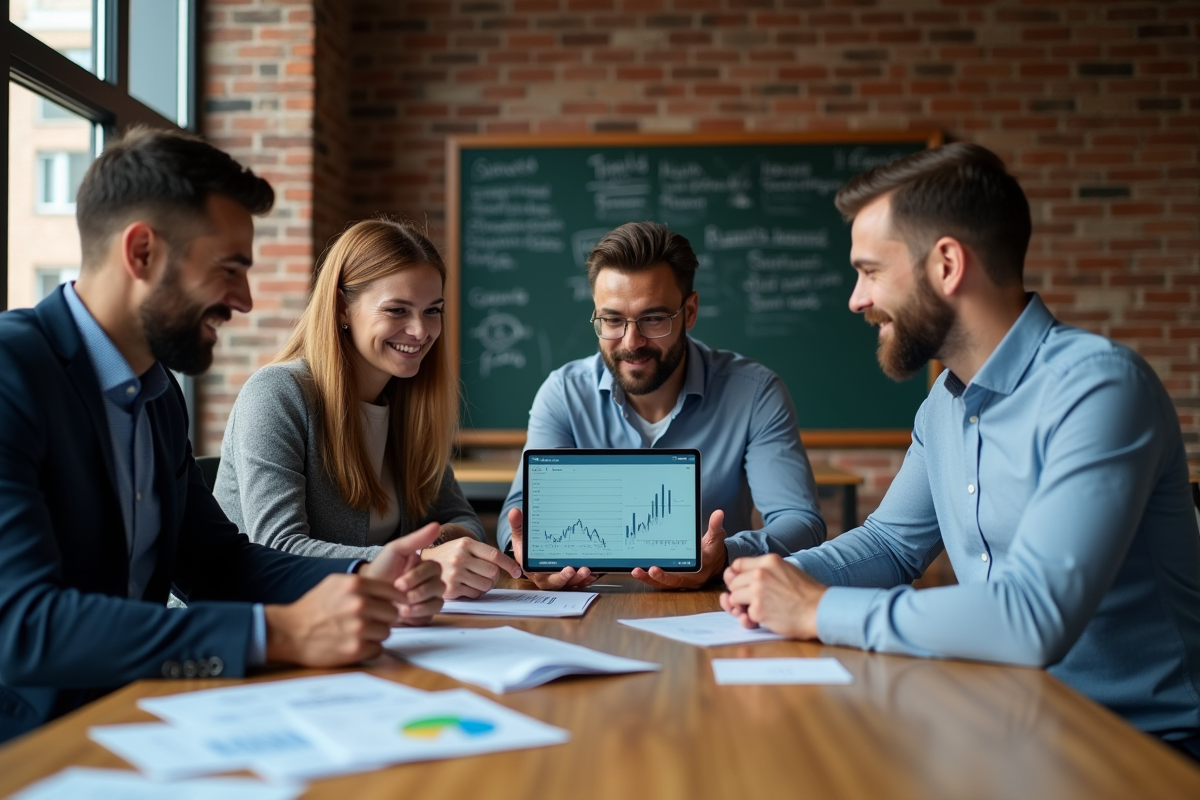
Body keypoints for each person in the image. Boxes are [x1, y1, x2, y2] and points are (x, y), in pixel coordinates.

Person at [720, 143, 1200, 753]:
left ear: (946, 264)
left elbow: (1032, 618)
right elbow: (891, 545)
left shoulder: (1099, 389)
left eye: (869, 271)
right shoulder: (945, 404)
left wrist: (816, 610)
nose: (856, 300)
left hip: (1135, 749)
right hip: (1004, 721)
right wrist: (769, 578)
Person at [0, 128, 445, 744]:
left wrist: (369, 573)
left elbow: (217, 564)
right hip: (31, 744)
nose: (244, 299)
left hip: (141, 719)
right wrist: (278, 635)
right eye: (228, 269)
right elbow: (21, 626)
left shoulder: (154, 395)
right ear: (142, 253)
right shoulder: (10, 372)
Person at [499, 222, 826, 590]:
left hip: (709, 608)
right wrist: (524, 551)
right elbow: (519, 517)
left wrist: (725, 555)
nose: (631, 341)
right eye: (612, 319)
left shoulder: (755, 392)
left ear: (689, 312)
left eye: (653, 318)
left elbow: (801, 522)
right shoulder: (563, 392)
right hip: (590, 603)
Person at [214, 219, 521, 598]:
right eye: (397, 310)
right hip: (250, 628)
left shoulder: (409, 404)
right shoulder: (277, 394)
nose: (421, 331)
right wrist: (421, 561)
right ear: (343, 308)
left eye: (432, 311)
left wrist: (442, 545)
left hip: (364, 623)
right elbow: (279, 549)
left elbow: (464, 522)